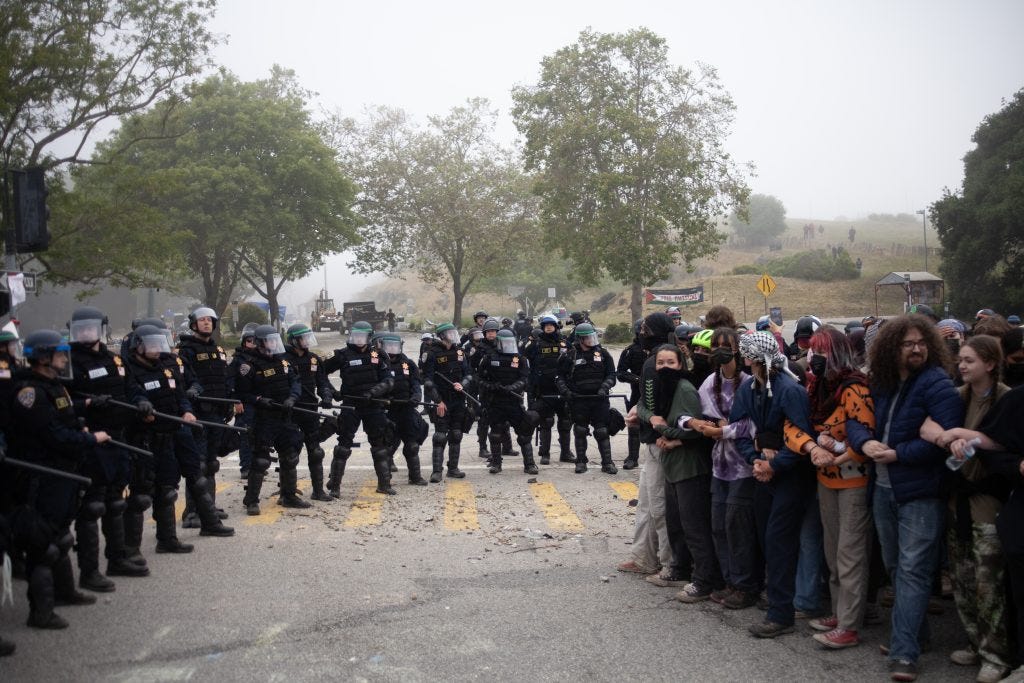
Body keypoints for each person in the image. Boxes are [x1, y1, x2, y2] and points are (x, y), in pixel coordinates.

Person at [846, 314, 962, 682]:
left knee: (912, 571)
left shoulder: (937, 384)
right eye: (907, 343)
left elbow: (946, 443)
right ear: (890, 347)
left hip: (921, 492)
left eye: (921, 343)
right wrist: (864, 441)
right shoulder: (880, 382)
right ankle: (918, 637)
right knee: (896, 568)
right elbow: (855, 419)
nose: (916, 349)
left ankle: (905, 653)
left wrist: (899, 454)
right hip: (882, 488)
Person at [923, 335, 1013, 683]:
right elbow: (926, 424)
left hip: (987, 504)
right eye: (960, 360)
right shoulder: (957, 396)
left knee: (988, 583)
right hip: (957, 500)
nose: (961, 366)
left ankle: (996, 654)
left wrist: (966, 435)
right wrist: (948, 436)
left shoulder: (1005, 399)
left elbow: (1007, 441)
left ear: (990, 364)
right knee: (962, 579)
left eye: (969, 360)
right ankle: (976, 643)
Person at [783, 327, 874, 650]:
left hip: (853, 479)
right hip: (825, 479)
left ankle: (849, 624)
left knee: (850, 553)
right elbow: (792, 427)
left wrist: (833, 452)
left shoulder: (854, 388)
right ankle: (839, 611)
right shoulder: (814, 387)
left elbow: (865, 435)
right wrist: (812, 448)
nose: (813, 357)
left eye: (821, 352)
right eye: (812, 352)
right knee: (833, 551)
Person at [9, 330, 106, 629]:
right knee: (44, 543)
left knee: (61, 534)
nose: (65, 358)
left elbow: (63, 415)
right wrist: (89, 439)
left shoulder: (53, 387)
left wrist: (84, 412)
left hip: (63, 472)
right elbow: (53, 435)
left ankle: (64, 592)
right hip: (44, 474)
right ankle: (40, 612)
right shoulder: (30, 392)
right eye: (59, 354)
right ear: (43, 357)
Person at [730, 330, 816, 639]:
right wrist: (754, 458)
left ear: (753, 358)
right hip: (764, 474)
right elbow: (739, 429)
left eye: (745, 354)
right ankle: (778, 598)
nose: (742, 359)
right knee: (767, 539)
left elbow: (804, 438)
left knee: (780, 541)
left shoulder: (789, 390)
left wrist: (773, 463)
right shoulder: (750, 388)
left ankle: (781, 614)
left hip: (793, 476)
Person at [125, 325, 234, 545]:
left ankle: (209, 523)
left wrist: (187, 411)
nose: (157, 349)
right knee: (157, 490)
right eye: (151, 344)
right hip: (150, 435)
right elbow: (131, 397)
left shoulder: (168, 365)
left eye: (159, 343)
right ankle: (152, 543)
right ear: (138, 346)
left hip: (178, 429)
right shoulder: (130, 370)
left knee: (198, 476)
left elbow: (180, 393)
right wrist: (141, 407)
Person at [67, 306, 149, 593]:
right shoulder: (69, 361)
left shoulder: (115, 359)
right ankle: (89, 572)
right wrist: (86, 405)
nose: (86, 333)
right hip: (91, 439)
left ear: (101, 329)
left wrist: (141, 402)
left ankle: (117, 558)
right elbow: (60, 401)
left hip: (118, 436)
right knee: (92, 506)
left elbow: (132, 387)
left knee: (116, 501)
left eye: (91, 328)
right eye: (81, 329)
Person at [690, 327, 760, 610]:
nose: (720, 349)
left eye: (726, 345)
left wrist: (725, 430)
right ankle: (731, 581)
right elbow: (701, 413)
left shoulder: (750, 382)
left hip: (743, 466)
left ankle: (745, 585)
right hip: (720, 466)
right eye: (715, 345)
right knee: (719, 525)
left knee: (738, 526)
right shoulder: (710, 381)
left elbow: (753, 423)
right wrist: (702, 425)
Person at [649, 343, 725, 604]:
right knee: (676, 523)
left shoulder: (684, 389)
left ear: (680, 364)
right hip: (674, 467)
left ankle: (705, 580)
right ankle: (681, 569)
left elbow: (697, 429)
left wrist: (667, 434)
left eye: (671, 362)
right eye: (661, 363)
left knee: (695, 527)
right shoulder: (664, 389)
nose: (665, 368)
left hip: (690, 468)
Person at [616, 312, 678, 578]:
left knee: (659, 506)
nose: (641, 332)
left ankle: (671, 565)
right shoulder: (651, 360)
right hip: (651, 440)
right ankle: (643, 556)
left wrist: (640, 416)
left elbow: (656, 408)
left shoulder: (658, 363)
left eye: (645, 328)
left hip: (660, 442)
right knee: (645, 503)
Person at [234, 325, 307, 512]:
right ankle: (251, 500)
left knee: (290, 456)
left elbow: (296, 383)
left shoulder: (283, 362)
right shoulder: (249, 365)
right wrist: (259, 400)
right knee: (260, 461)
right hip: (263, 418)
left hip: (284, 416)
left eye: (275, 339)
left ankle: (288, 495)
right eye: (269, 340)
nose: (274, 343)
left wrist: (292, 398)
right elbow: (242, 393)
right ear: (259, 342)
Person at [323, 321, 395, 496]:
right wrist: (332, 392)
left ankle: (384, 484)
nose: (359, 340)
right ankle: (335, 486)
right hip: (351, 405)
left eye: (362, 337)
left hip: (373, 405)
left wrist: (373, 392)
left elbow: (389, 381)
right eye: (355, 336)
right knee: (343, 446)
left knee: (379, 445)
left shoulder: (379, 355)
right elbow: (320, 374)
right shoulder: (342, 355)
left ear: (369, 337)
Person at [176, 306, 232, 529]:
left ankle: (208, 506)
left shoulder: (218, 350)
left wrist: (230, 401)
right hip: (198, 412)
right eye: (202, 320)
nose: (207, 323)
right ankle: (191, 512)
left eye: (210, 320)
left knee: (211, 463)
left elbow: (225, 378)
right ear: (193, 324)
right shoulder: (186, 351)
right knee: (196, 465)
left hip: (218, 411)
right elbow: (185, 382)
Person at [284, 323, 337, 501]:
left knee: (315, 452)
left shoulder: (314, 359)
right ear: (293, 340)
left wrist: (327, 397)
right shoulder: (282, 359)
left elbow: (322, 382)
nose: (307, 341)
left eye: (308, 337)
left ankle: (318, 491)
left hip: (310, 410)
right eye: (302, 338)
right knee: (290, 454)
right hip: (290, 410)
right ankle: (287, 494)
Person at [556, 322, 617, 475]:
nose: (592, 340)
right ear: (580, 339)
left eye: (592, 336)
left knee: (602, 431)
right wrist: (566, 392)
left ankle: (607, 463)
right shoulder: (569, 355)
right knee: (580, 430)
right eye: (588, 338)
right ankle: (581, 462)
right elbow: (559, 377)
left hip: (599, 399)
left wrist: (605, 387)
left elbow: (612, 374)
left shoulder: (603, 353)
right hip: (578, 400)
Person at [477, 329, 539, 475]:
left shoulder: (520, 359)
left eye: (510, 342)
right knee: (495, 434)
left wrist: (513, 387)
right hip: (496, 401)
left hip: (514, 401)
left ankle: (529, 464)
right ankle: (496, 464)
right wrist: (491, 386)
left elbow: (525, 378)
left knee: (524, 434)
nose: (508, 345)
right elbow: (479, 378)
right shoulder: (489, 358)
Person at [421, 323, 471, 482]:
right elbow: (428, 381)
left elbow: (468, 374)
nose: (453, 335)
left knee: (456, 434)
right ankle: (437, 471)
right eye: (450, 333)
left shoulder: (459, 351)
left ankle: (453, 468)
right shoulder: (432, 353)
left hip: (458, 399)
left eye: (453, 332)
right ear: (442, 335)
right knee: (440, 436)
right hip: (442, 399)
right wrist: (438, 401)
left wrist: (462, 383)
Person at [377, 334, 429, 486]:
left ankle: (415, 477)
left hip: (406, 409)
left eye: (395, 346)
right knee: (387, 446)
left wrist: (416, 397)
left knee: (412, 445)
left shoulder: (408, 363)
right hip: (387, 410)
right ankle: (385, 481)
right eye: (389, 346)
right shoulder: (378, 362)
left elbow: (415, 384)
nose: (392, 350)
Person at [525, 314, 573, 465]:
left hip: (562, 390)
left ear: (556, 326)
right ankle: (545, 454)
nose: (548, 327)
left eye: (551, 325)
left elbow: (572, 365)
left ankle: (565, 453)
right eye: (545, 325)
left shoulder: (565, 344)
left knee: (565, 423)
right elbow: (525, 362)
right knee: (546, 422)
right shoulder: (535, 345)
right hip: (543, 390)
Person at [228, 323, 259, 478]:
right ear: (244, 342)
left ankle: (256, 466)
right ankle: (245, 468)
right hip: (244, 402)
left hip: (259, 402)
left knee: (258, 436)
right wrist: (235, 401)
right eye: (249, 340)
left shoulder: (263, 358)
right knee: (246, 435)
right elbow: (231, 381)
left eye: (255, 340)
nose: (252, 343)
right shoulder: (238, 360)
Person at [616, 320, 646, 470]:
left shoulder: (660, 349)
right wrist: (637, 379)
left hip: (659, 392)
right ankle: (632, 458)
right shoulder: (631, 350)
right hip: (638, 393)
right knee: (634, 426)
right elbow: (620, 373)